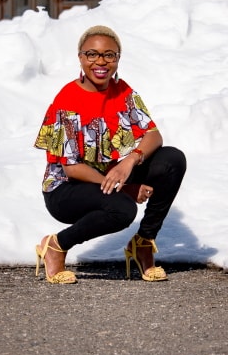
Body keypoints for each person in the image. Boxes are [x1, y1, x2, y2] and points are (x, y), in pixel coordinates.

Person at [34, 25, 186, 284]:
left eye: (109, 55)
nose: (100, 62)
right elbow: (72, 169)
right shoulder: (68, 100)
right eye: (92, 54)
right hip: (67, 190)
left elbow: (153, 135)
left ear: (118, 58)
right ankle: (56, 245)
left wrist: (130, 161)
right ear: (80, 58)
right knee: (123, 209)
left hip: (109, 177)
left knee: (172, 160)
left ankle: (144, 243)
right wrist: (125, 187)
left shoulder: (122, 92)